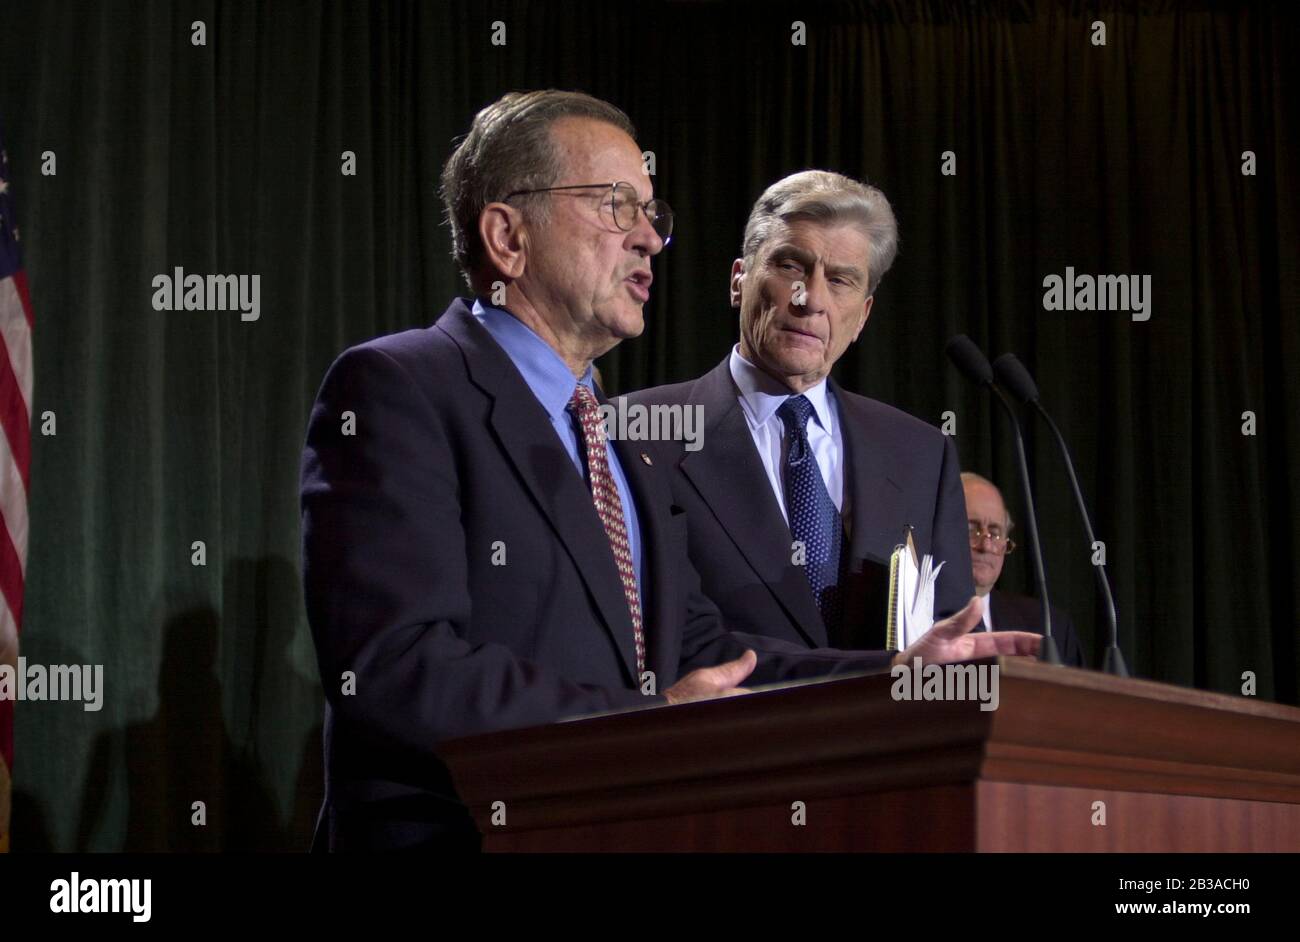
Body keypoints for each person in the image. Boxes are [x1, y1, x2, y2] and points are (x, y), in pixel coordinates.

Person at [300, 92, 1040, 851]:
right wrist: (638, 729)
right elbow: (394, 667)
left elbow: (701, 652)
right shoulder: (399, 387)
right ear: (507, 236)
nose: (651, 239)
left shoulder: (625, 440)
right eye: (617, 206)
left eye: (653, 213)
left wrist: (893, 674)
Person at [626, 170, 972, 653]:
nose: (811, 300)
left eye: (840, 280)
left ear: (864, 316)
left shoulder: (921, 454)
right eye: (791, 267)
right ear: (738, 280)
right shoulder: (636, 432)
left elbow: (949, 638)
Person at [961, 472, 1086, 666]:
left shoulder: (1051, 628)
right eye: (971, 530)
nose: (986, 546)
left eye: (995, 533)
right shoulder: (909, 618)